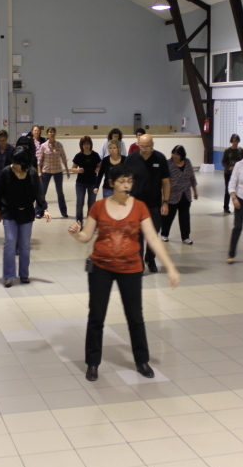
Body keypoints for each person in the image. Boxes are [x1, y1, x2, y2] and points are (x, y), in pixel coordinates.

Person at [67, 163, 179, 382]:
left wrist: (170, 267)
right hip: (101, 267)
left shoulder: (139, 207)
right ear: (112, 183)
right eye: (121, 181)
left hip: (131, 268)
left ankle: (141, 360)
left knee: (135, 317)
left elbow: (153, 238)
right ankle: (92, 362)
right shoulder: (98, 206)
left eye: (129, 181)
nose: (126, 185)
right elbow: (86, 236)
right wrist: (76, 234)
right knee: (96, 316)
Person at [0, 147, 51, 287]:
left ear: (24, 163)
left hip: (26, 212)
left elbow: (39, 192)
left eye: (17, 163)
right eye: (13, 162)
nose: (14, 165)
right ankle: (8, 275)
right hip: (9, 211)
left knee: (25, 245)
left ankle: (24, 274)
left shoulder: (32, 173)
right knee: (10, 242)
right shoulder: (6, 172)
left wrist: (44, 209)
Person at [124, 134, 170, 272]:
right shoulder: (131, 159)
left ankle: (150, 259)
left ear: (152, 145)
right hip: (135, 203)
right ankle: (139, 262)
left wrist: (165, 202)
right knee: (137, 234)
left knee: (153, 233)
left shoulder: (160, 158)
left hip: (154, 204)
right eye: (141, 146)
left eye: (146, 146)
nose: (143, 149)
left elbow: (166, 182)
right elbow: (124, 179)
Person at [161, 145, 198, 244]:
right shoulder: (168, 164)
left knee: (185, 217)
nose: (175, 156)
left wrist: (195, 190)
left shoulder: (187, 162)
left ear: (182, 155)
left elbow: (192, 177)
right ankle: (164, 234)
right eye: (173, 153)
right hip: (171, 195)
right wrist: (163, 196)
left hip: (185, 194)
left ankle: (185, 237)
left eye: (177, 154)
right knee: (168, 216)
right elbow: (164, 181)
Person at [37, 126, 70, 218]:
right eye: (50, 132)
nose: (52, 133)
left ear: (55, 133)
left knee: (60, 192)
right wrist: (39, 172)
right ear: (47, 134)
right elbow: (40, 160)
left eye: (53, 132)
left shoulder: (59, 145)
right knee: (43, 192)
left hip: (58, 171)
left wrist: (67, 170)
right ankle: (40, 211)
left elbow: (63, 158)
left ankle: (64, 212)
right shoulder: (43, 146)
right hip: (46, 171)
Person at [72, 136, 101, 224]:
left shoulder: (95, 155)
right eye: (84, 144)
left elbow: (100, 165)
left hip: (92, 182)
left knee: (92, 204)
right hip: (80, 183)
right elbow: (73, 168)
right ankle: (79, 222)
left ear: (90, 144)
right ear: (81, 145)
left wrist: (98, 168)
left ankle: (90, 222)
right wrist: (78, 170)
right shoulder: (79, 156)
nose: (86, 146)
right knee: (80, 203)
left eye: (88, 144)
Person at [221, 134, 243, 214]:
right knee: (228, 190)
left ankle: (238, 206)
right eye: (234, 141)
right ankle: (226, 207)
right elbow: (223, 162)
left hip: (238, 173)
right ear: (231, 141)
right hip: (228, 173)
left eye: (236, 141)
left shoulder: (241, 150)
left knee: (238, 190)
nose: (235, 143)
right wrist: (229, 167)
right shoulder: (227, 150)